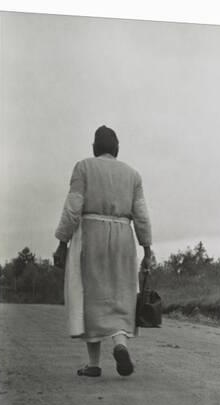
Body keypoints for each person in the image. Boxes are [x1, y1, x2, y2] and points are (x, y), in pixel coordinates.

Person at [53, 125, 152, 377]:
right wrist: (147, 249)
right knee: (120, 294)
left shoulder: (83, 168)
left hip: (91, 234)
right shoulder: (133, 175)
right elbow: (141, 215)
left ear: (94, 148)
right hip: (123, 237)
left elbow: (73, 208)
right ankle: (120, 344)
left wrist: (62, 242)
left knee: (92, 296)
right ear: (117, 149)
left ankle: (94, 364)